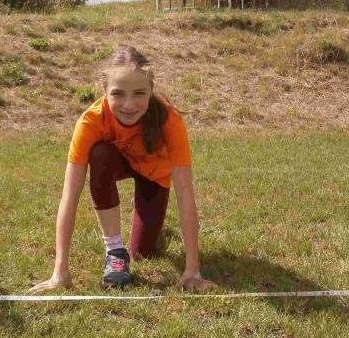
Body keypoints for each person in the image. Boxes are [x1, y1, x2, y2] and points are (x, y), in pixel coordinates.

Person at [31, 46, 214, 291]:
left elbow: (185, 194)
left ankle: (153, 224)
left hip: (153, 176)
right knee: (100, 153)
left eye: (139, 93)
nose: (128, 105)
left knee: (142, 253)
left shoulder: (170, 119)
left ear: (151, 90)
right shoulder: (90, 121)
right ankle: (115, 252)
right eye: (118, 94)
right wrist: (60, 271)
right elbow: (70, 195)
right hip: (114, 163)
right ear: (104, 91)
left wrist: (192, 271)